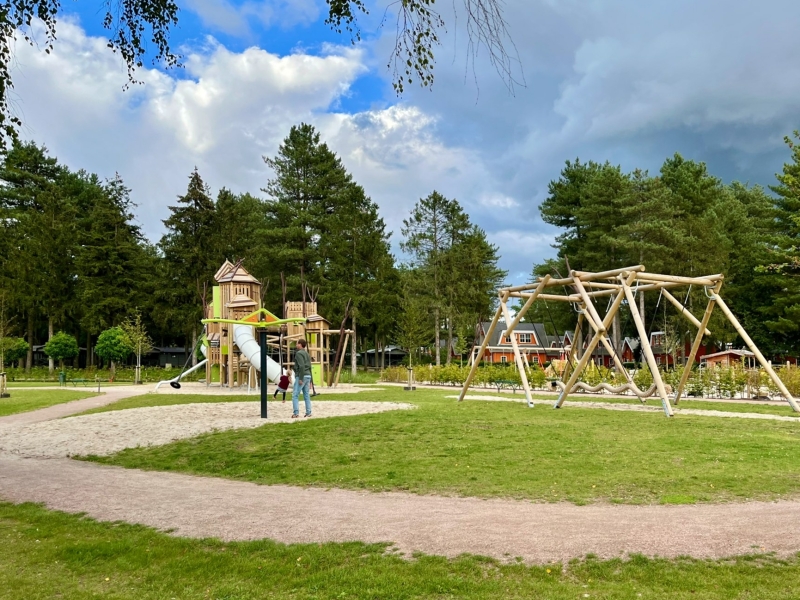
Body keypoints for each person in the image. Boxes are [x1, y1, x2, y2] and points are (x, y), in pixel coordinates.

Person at [291, 339, 312, 418]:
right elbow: (309, 367)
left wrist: (300, 378)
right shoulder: (307, 354)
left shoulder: (299, 353)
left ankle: (296, 413)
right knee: (306, 395)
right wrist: (311, 381)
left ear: (300, 344)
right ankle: (308, 412)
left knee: (295, 395)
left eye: (297, 344)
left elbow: (302, 366)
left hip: (302, 376)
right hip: (308, 376)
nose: (296, 345)